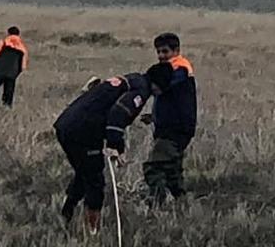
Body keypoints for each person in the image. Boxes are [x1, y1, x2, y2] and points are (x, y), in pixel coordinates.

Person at [53, 63, 175, 234]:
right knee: (95, 182)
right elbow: (118, 114)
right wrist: (115, 145)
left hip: (66, 124)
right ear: (160, 85)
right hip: (83, 131)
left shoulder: (132, 79)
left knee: (85, 172)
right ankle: (92, 232)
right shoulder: (141, 91)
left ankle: (66, 213)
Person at [142, 33, 197, 206]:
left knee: (153, 167)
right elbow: (171, 99)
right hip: (175, 127)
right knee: (172, 170)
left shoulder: (180, 68)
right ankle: (182, 204)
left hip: (173, 130)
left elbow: (164, 86)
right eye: (158, 52)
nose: (161, 56)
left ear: (177, 50)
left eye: (165, 51)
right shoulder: (171, 68)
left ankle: (156, 204)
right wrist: (154, 117)